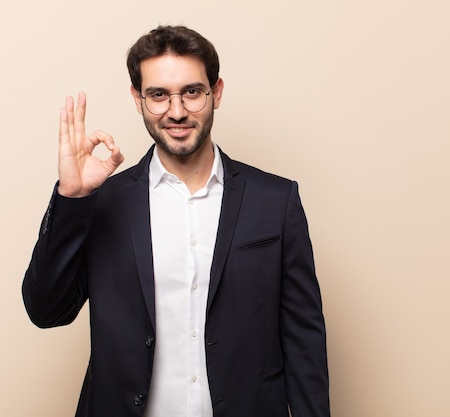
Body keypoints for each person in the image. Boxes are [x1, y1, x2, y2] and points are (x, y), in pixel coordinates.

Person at [22, 25, 330, 417]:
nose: (177, 111)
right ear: (138, 99)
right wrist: (72, 198)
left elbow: (304, 339)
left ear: (216, 92)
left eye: (192, 92)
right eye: (158, 95)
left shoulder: (274, 201)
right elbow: (46, 310)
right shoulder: (104, 202)